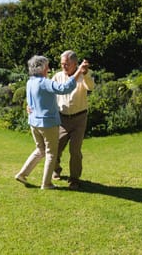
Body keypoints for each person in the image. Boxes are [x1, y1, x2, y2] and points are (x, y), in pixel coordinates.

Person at [15, 55, 86, 190]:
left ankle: (22, 174)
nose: (48, 68)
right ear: (41, 68)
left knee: (40, 150)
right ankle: (46, 183)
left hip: (33, 123)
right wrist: (78, 71)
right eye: (47, 65)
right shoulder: (44, 82)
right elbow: (64, 88)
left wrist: (29, 106)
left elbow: (30, 100)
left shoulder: (30, 81)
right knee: (51, 153)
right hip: (47, 124)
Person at [52, 50, 95, 190]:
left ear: (75, 64)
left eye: (67, 64)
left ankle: (74, 179)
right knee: (56, 147)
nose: (63, 67)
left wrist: (85, 72)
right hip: (62, 119)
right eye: (62, 64)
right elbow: (48, 92)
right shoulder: (58, 76)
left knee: (75, 151)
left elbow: (91, 87)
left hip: (79, 119)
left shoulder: (83, 76)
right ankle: (56, 170)